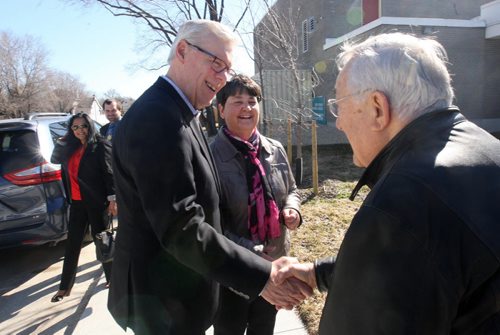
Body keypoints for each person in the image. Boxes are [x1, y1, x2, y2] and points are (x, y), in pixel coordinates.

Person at [276, 32, 500, 334]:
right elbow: (435, 266)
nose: (338, 122)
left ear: (377, 108)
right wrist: (319, 274)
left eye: (339, 105)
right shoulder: (489, 150)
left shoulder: (403, 203)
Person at [107, 19, 312, 335]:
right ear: (182, 50)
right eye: (216, 64)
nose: (222, 78)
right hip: (163, 301)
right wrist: (261, 277)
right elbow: (182, 227)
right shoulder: (158, 118)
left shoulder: (182, 111)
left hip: (181, 292)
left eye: (227, 68)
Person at [210, 75, 302, 335]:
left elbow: (292, 189)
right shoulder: (210, 156)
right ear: (220, 109)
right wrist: (249, 250)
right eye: (237, 101)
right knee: (230, 329)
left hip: (272, 263)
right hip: (232, 269)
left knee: (264, 328)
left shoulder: (275, 149)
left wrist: (292, 209)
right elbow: (210, 221)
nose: (247, 108)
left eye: (252, 101)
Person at [50, 112, 117, 302]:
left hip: (97, 203)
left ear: (90, 126)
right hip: (77, 203)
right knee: (72, 243)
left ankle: (112, 277)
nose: (80, 130)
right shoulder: (69, 147)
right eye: (75, 127)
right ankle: (64, 287)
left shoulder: (100, 145)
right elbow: (54, 160)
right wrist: (63, 140)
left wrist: (113, 200)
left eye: (83, 126)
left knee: (102, 240)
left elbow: (109, 174)